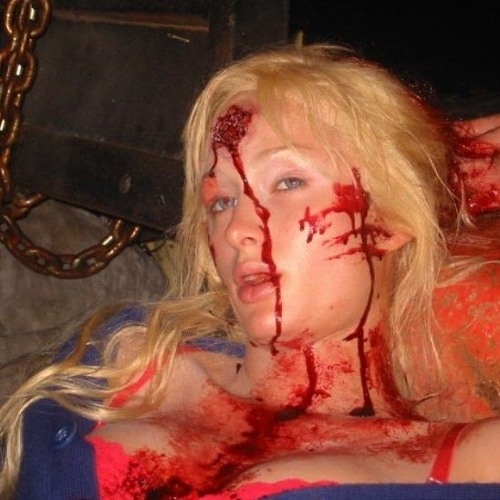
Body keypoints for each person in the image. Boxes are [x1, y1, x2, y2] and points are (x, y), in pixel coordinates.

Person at [1, 43, 499, 499]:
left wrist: (435, 170)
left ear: (391, 217)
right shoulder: (126, 356)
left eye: (288, 181)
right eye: (220, 201)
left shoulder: (458, 456)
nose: (238, 228)